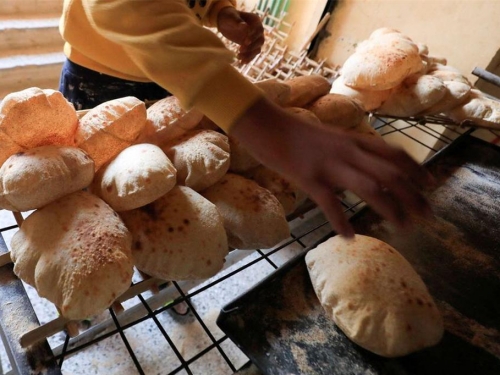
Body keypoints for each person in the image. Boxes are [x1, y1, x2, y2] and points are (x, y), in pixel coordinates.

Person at [59, 0, 433, 238]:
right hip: (99, 76)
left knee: (152, 188)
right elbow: (123, 5)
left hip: (169, 74)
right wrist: (263, 122)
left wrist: (219, 11)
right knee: (99, 185)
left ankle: (155, 260)